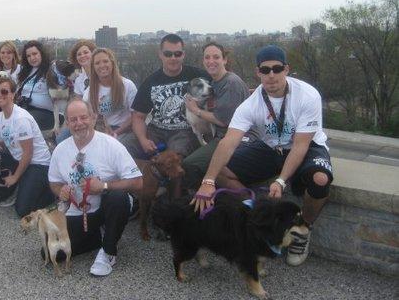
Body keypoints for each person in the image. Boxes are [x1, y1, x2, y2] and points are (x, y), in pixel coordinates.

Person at [193, 44, 333, 267]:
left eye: (277, 69)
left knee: (320, 179)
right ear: (258, 73)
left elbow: (300, 145)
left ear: (287, 69)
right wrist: (208, 181)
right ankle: (257, 216)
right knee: (219, 170)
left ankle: (303, 230)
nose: (271, 75)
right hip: (271, 148)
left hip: (306, 146)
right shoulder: (251, 104)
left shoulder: (307, 95)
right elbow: (228, 142)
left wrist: (280, 180)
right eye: (265, 70)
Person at [48, 99, 142, 276]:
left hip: (106, 207)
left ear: (93, 118)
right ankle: (99, 236)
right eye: (73, 120)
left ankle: (108, 251)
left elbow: (138, 181)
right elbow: (54, 182)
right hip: (78, 211)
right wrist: (60, 190)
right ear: (67, 123)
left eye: (83, 117)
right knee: (54, 253)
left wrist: (104, 185)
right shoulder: (61, 149)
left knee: (118, 197)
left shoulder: (111, 145)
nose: (79, 123)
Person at [0, 77, 55, 217]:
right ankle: (11, 193)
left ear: (13, 94)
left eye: (4, 91)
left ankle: (50, 192)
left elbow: (28, 153)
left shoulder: (21, 119)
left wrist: (15, 177)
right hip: (18, 159)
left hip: (37, 164)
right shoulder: (0, 118)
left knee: (22, 210)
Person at [120, 33, 209, 159]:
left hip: (184, 131)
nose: (173, 58)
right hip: (155, 130)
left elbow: (220, 85)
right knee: (123, 146)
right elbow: (138, 117)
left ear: (183, 55)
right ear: (160, 55)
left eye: (177, 54)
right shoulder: (150, 82)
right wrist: (143, 140)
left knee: (174, 157)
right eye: (168, 54)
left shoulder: (197, 76)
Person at [182, 42, 256, 190]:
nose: (211, 61)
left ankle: (244, 198)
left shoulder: (230, 82)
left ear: (224, 60)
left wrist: (195, 110)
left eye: (216, 57)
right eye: (207, 57)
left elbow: (223, 120)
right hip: (221, 136)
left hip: (239, 138)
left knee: (191, 163)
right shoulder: (215, 83)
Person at [83, 48, 137, 139]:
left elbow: (135, 116)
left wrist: (116, 132)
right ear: (93, 67)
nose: (102, 65)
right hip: (100, 131)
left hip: (124, 130)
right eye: (97, 63)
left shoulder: (128, 85)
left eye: (105, 61)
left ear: (112, 63)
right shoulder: (89, 92)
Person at [16, 40, 55, 131]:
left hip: (46, 113)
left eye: (35, 54)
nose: (32, 58)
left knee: (20, 123)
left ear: (41, 53)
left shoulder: (51, 69)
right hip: (25, 109)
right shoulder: (25, 71)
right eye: (28, 56)